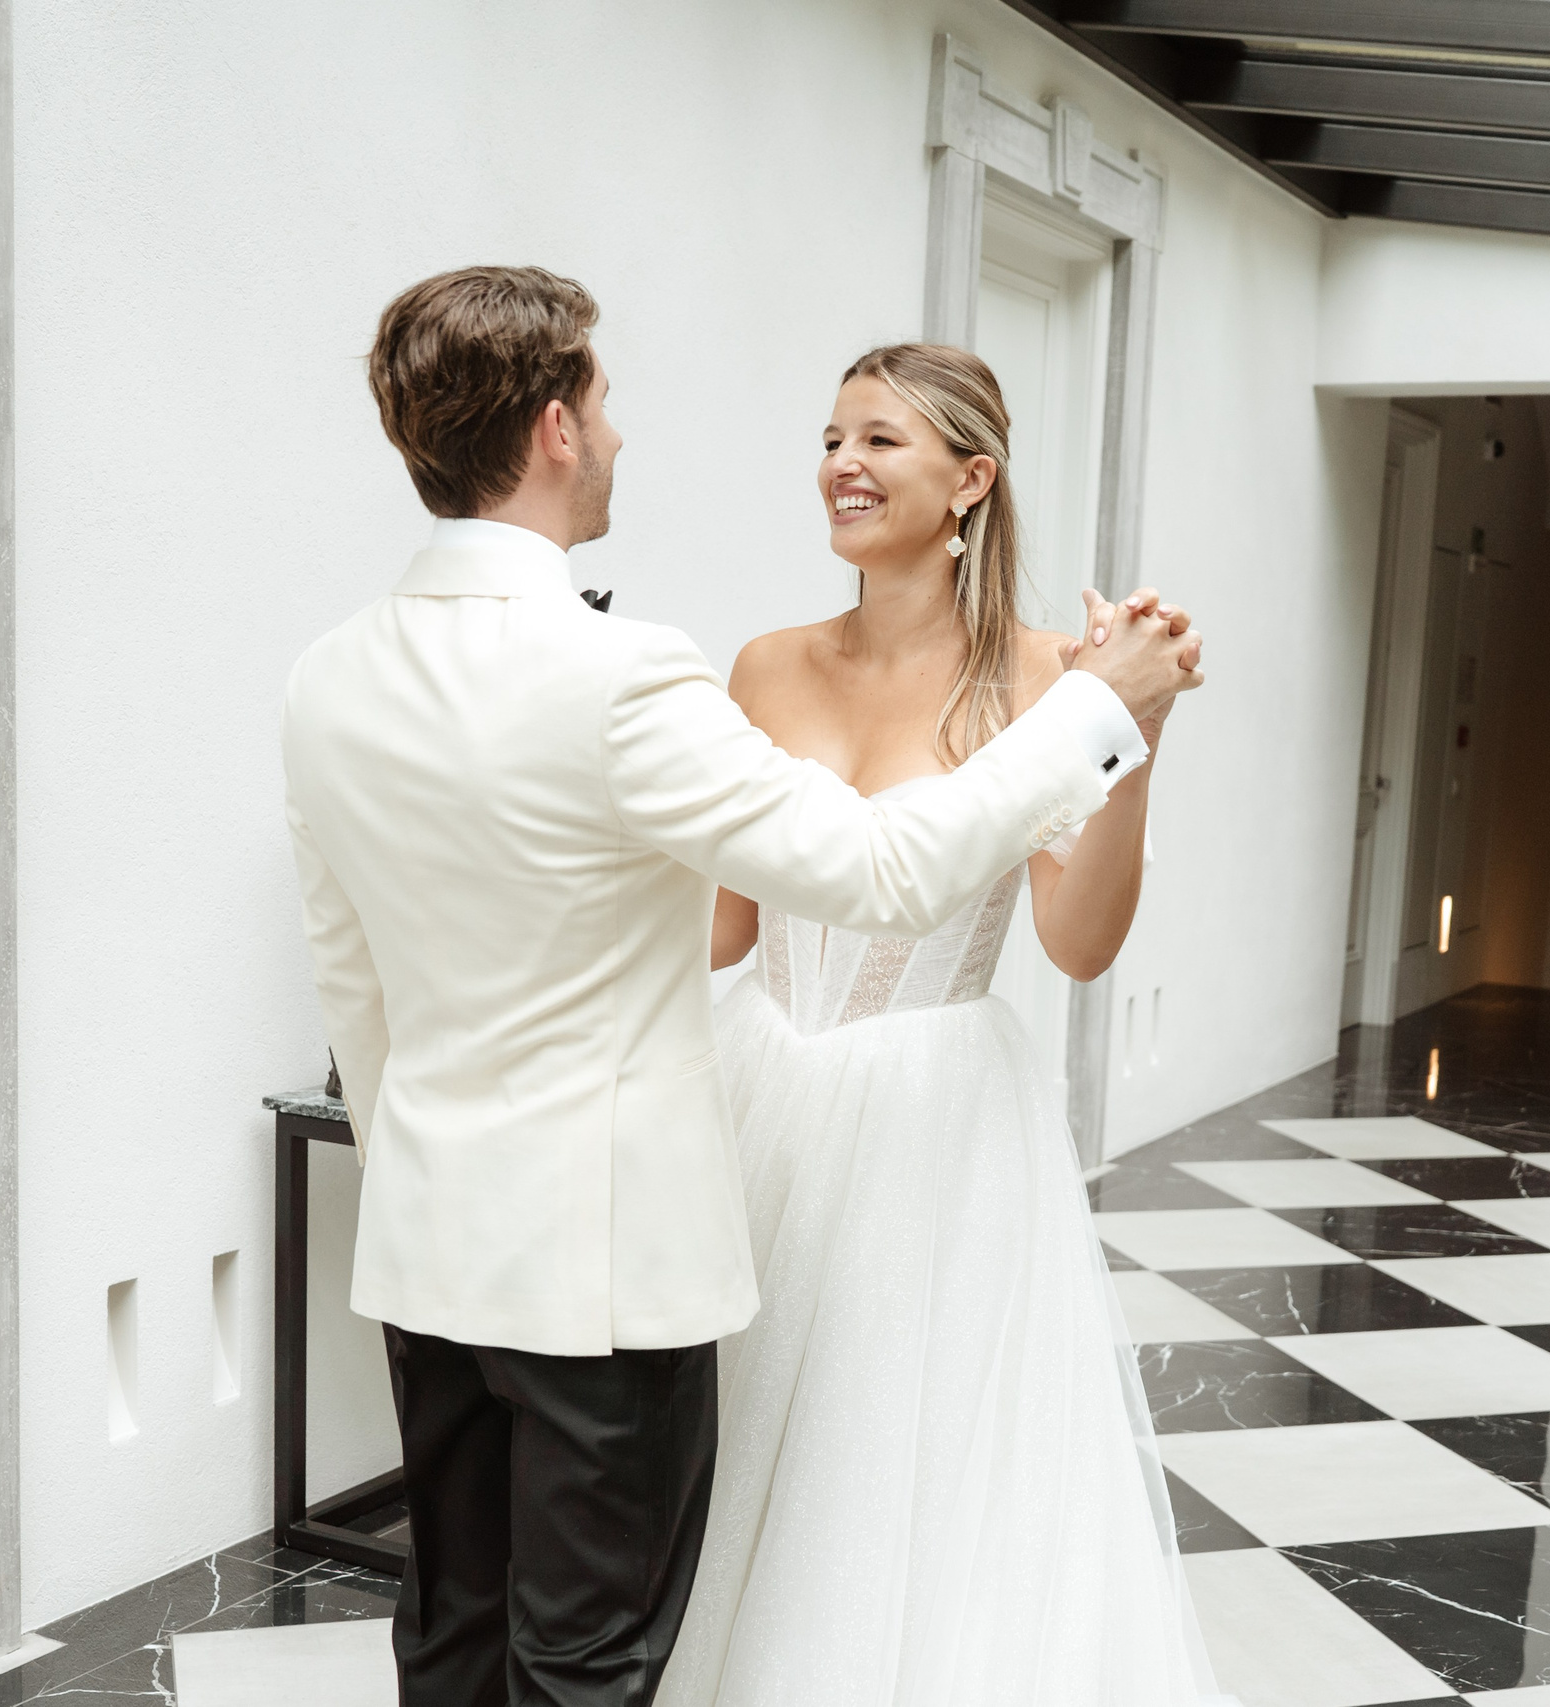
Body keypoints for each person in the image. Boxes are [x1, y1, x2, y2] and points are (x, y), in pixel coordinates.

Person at [280, 269, 1204, 1707]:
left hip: (439, 1236)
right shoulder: (638, 672)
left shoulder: (327, 676)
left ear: (972, 480)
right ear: (555, 430)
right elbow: (881, 876)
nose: (623, 434)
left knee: (457, 1621)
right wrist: (1107, 712)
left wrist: (430, 1164)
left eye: (878, 438)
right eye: (604, 401)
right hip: (609, 1245)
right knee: (587, 1653)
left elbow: (361, 992)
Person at [657, 344, 1230, 1707]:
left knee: (884, 1452)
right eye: (832, 437)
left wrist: (1127, 731)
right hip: (759, 1087)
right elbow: (723, 932)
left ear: (970, 480)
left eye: (881, 441)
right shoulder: (765, 664)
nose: (842, 464)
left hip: (930, 1123)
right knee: (731, 1444)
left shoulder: (1046, 677)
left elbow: (1078, 944)